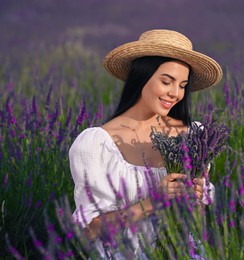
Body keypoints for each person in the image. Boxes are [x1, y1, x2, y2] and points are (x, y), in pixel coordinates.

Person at [69, 29, 223, 258]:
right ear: (142, 77)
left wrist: (196, 201)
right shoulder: (96, 144)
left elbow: (197, 226)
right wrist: (152, 202)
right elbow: (88, 231)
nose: (175, 93)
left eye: (182, 85)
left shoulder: (196, 136)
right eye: (166, 81)